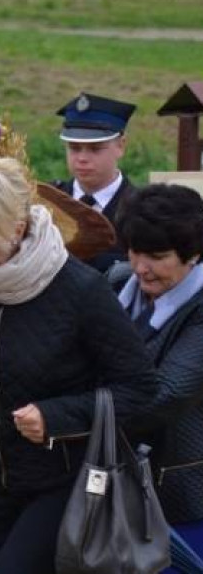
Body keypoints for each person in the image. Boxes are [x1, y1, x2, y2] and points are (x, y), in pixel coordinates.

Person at [0, 156, 156, 574]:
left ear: (16, 229)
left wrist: (56, 416)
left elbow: (140, 387)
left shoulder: (80, 290)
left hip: (60, 483)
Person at [116, 185, 203, 572]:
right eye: (134, 251)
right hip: (115, 490)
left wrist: (77, 411)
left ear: (194, 254)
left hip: (181, 498)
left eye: (157, 257)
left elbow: (167, 394)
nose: (140, 267)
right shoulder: (117, 284)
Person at [51, 91, 137, 273]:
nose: (82, 158)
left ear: (121, 146)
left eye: (95, 149)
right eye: (74, 148)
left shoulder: (139, 209)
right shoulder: (48, 201)